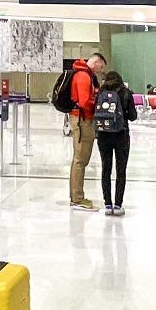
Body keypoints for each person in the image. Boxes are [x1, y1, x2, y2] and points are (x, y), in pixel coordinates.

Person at [64, 53, 105, 211]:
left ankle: (76, 196)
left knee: (80, 160)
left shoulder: (85, 75)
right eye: (100, 67)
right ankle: (77, 199)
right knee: (80, 160)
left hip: (83, 119)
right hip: (82, 120)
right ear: (96, 62)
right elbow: (84, 101)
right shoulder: (83, 76)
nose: (100, 71)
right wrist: (99, 104)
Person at [93, 69, 137, 216]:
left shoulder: (100, 93)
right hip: (121, 135)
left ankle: (107, 204)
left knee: (106, 169)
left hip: (103, 135)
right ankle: (118, 205)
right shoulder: (125, 92)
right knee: (121, 170)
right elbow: (133, 116)